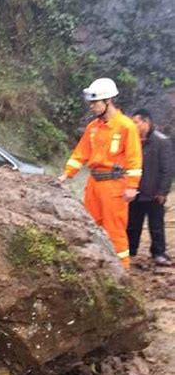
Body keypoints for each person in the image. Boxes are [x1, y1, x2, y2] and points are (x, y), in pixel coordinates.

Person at [58, 77, 142, 269]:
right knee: (89, 227)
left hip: (115, 186)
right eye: (91, 103)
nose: (92, 107)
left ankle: (122, 273)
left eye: (95, 102)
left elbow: (134, 159)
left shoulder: (126, 126)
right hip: (94, 185)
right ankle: (96, 268)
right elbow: (80, 153)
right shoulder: (93, 128)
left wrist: (132, 187)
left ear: (108, 101)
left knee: (115, 230)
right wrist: (66, 174)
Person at [127, 108, 173, 265]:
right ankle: (130, 251)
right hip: (135, 190)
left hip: (154, 192)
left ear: (146, 122)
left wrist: (163, 191)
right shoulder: (132, 141)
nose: (133, 126)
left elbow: (167, 169)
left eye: (136, 122)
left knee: (156, 225)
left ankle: (159, 253)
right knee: (132, 224)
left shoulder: (162, 141)